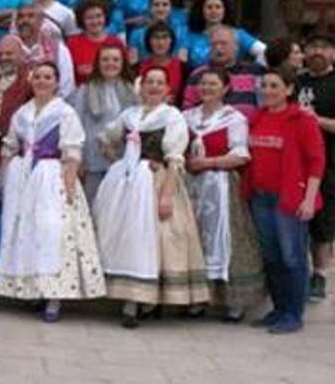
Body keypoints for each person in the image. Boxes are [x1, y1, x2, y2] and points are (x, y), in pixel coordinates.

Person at [94, 66, 209, 328]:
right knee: (130, 238)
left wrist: (167, 195)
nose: (154, 87)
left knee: (158, 239)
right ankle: (133, 300)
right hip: (127, 183)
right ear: (141, 86)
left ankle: (148, 300)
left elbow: (175, 160)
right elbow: (106, 138)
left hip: (157, 182)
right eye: (150, 82)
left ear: (168, 89)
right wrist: (119, 162)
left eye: (160, 82)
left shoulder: (172, 116)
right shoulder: (129, 115)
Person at [0, 61, 106, 322]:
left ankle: (54, 297)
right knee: (27, 231)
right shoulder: (22, 113)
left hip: (51, 176)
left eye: (48, 77)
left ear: (57, 82)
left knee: (51, 232)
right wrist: (3, 176)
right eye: (38, 77)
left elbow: (72, 153)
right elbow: (10, 146)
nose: (42, 81)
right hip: (24, 177)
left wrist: (68, 186)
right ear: (31, 81)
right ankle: (33, 289)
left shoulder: (64, 113)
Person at [246, 68, 325, 333]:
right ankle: (279, 308)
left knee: (292, 257)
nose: (267, 91)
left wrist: (309, 199)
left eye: (274, 86)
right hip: (261, 198)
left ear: (289, 90)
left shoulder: (301, 120)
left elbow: (316, 162)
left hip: (289, 199)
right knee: (272, 257)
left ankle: (294, 313)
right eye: (264, 85)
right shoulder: (258, 118)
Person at [183, 69, 264, 322]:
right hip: (191, 186)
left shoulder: (233, 118)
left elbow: (240, 155)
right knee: (193, 239)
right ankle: (197, 299)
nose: (206, 88)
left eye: (213, 84)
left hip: (220, 185)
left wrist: (208, 162)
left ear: (226, 88)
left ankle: (233, 302)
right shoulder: (187, 116)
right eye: (203, 84)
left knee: (226, 240)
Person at [68, 43, 137, 201]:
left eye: (115, 60)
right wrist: (79, 160)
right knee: (94, 202)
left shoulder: (131, 91)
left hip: (122, 158)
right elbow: (76, 125)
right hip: (93, 159)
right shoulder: (86, 90)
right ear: (98, 63)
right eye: (105, 60)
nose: (110, 64)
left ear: (122, 63)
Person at [298, 32, 335, 302]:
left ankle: (320, 274)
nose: (317, 52)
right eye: (312, 47)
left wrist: (316, 120)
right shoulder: (295, 80)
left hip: (329, 162)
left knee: (323, 223)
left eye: (324, 47)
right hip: (295, 162)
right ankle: (298, 272)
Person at [183, 26, 264, 120]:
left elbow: (266, 104)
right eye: (214, 44)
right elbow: (188, 109)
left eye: (223, 44)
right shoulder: (198, 74)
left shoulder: (254, 71)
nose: (218, 48)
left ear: (236, 47)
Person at [186, 0, 267, 70]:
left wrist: (256, 72)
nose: (214, 11)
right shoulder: (190, 37)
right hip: (197, 82)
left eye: (218, 7)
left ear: (225, 10)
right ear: (201, 10)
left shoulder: (238, 34)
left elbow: (264, 51)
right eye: (209, 7)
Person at [12, 5, 75, 97]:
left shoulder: (58, 49)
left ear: (41, 21)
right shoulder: (7, 47)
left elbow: (66, 85)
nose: (24, 21)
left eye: (30, 16)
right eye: (21, 17)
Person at [0, 36, 33, 136]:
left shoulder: (30, 80)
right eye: (0, 54)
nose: (3, 58)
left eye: (9, 54)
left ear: (21, 55)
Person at [65, 2, 122, 85]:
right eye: (89, 18)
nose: (95, 21)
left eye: (99, 16)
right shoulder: (72, 43)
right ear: (82, 20)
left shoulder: (116, 42)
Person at [127, 0, 189, 64]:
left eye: (165, 5)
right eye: (156, 5)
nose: (160, 9)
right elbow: (133, 63)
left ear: (171, 7)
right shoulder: (136, 34)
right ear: (150, 7)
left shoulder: (181, 33)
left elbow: (182, 63)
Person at [138, 23, 185, 106]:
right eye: (156, 37)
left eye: (165, 37)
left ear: (171, 41)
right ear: (148, 41)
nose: (161, 42)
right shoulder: (138, 68)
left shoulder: (183, 67)